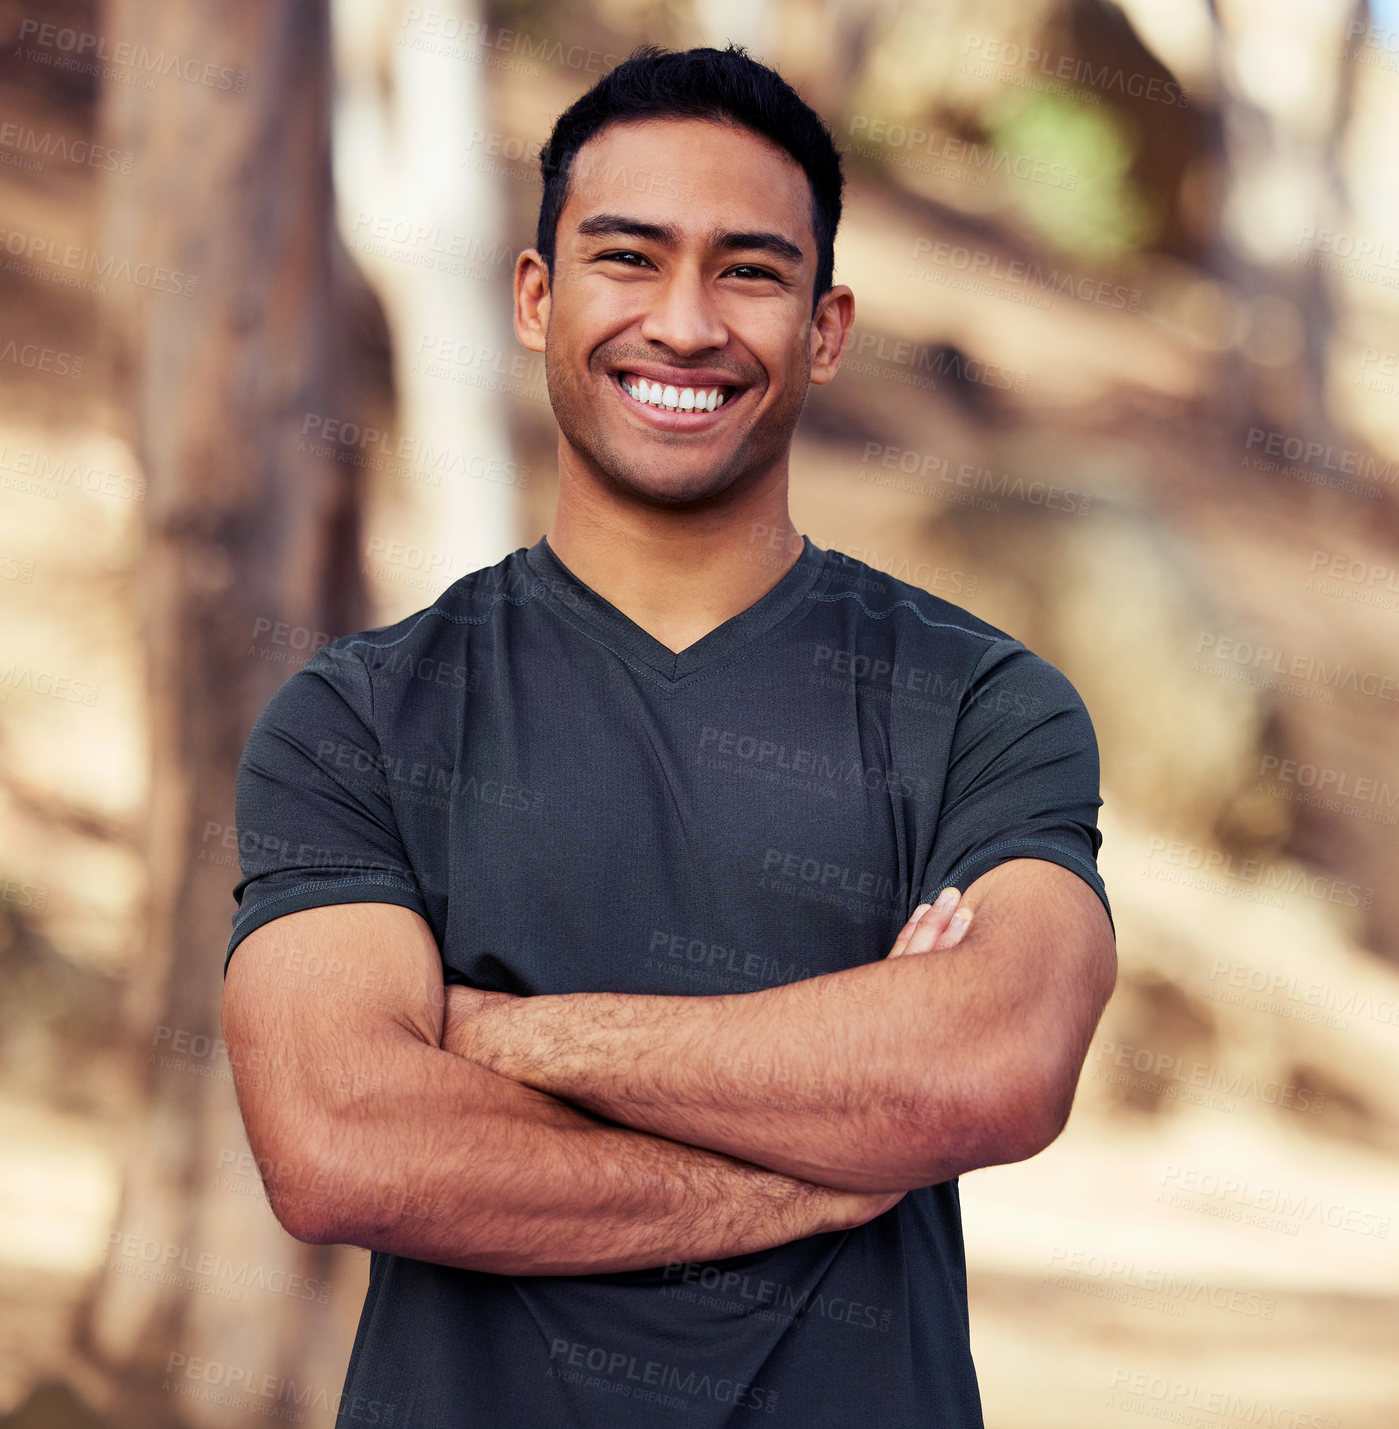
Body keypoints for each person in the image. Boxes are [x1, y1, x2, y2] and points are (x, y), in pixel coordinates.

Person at [221, 42, 1116, 1429]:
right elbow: (340, 1140)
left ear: (825, 326)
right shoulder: (360, 716)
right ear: (537, 295)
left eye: (750, 271)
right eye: (628, 257)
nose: (686, 324)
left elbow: (992, 1063)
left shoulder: (978, 703)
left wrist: (499, 1036)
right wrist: (820, 1155)